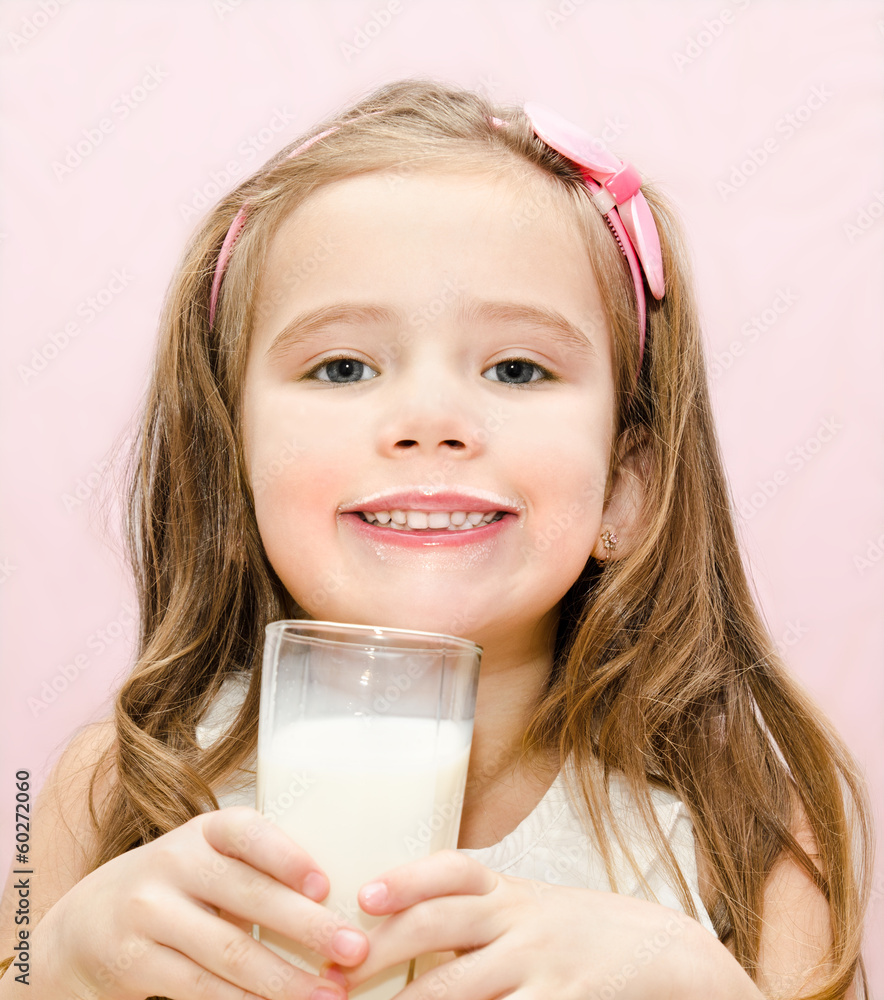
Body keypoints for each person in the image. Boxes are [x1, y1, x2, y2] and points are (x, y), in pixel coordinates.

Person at [0, 78, 873, 1000]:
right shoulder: (120, 787)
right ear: (234, 470)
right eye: (343, 366)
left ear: (627, 486)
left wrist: (709, 989)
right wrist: (46, 968)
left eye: (516, 367)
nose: (430, 420)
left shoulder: (739, 824)